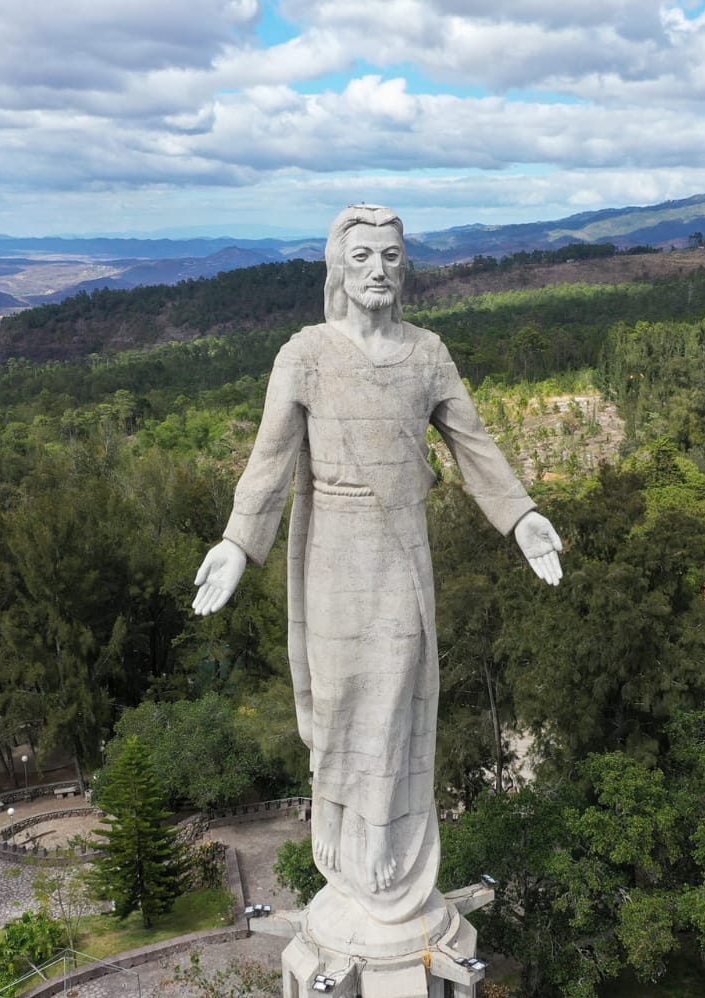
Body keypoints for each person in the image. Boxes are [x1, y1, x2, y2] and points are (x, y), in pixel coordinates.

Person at [192, 204, 561, 924]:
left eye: (391, 255)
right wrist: (237, 545)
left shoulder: (427, 353)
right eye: (362, 256)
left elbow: (474, 446)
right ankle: (343, 839)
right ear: (338, 266)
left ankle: (386, 838)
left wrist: (522, 517)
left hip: (399, 551)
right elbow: (269, 464)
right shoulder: (304, 354)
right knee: (338, 703)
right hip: (331, 548)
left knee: (392, 696)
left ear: (406, 266)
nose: (378, 270)